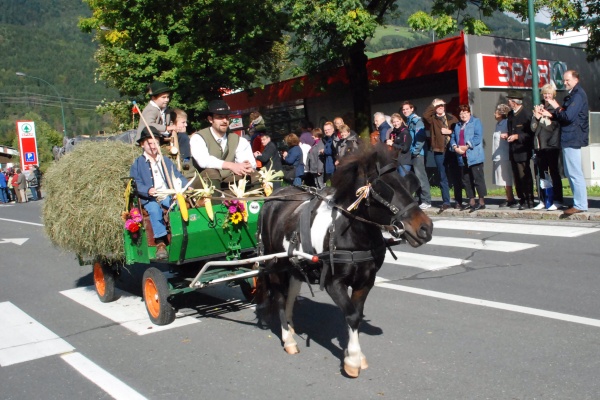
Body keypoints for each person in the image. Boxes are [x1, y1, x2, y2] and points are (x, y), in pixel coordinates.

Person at [130, 126, 188, 260]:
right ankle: (160, 242)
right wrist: (147, 190)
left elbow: (177, 176)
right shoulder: (138, 164)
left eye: (155, 142)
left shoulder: (165, 160)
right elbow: (135, 182)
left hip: (166, 194)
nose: (153, 146)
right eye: (149, 143)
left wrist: (186, 186)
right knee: (155, 210)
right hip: (150, 198)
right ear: (142, 145)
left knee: (176, 205)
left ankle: (179, 235)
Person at [543, 70, 589, 215]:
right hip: (568, 137)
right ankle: (578, 202)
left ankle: (580, 204)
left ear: (576, 79)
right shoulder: (572, 95)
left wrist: (555, 106)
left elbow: (568, 116)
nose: (565, 83)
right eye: (564, 80)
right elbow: (563, 115)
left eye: (567, 80)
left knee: (575, 173)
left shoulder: (578, 95)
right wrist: (552, 114)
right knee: (570, 172)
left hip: (573, 137)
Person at [189, 100, 256, 189]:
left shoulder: (238, 140)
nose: (225, 121)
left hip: (227, 182)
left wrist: (246, 166)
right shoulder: (198, 137)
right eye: (220, 117)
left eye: (227, 117)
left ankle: (256, 202)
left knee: (254, 175)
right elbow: (204, 161)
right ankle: (215, 203)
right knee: (212, 173)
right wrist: (231, 165)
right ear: (210, 119)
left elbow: (249, 162)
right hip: (202, 184)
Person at [423, 98, 460, 211]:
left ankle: (458, 201)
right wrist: (432, 104)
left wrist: (449, 132)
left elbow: (459, 131)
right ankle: (446, 201)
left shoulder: (452, 118)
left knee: (455, 176)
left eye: (441, 106)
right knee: (442, 176)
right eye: (438, 106)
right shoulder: (433, 119)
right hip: (439, 150)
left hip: (452, 150)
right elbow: (425, 116)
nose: (440, 108)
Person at [531, 84, 563, 211]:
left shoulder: (556, 109)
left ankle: (558, 199)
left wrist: (547, 116)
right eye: (545, 93)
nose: (547, 96)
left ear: (553, 94)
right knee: (542, 174)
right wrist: (537, 118)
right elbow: (533, 128)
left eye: (549, 93)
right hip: (539, 146)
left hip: (551, 145)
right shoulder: (540, 107)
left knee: (554, 172)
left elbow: (554, 127)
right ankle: (544, 199)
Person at [450, 104, 487, 211]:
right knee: (466, 179)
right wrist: (455, 147)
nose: (463, 115)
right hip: (462, 156)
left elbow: (477, 137)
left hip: (474, 156)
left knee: (477, 178)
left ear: (469, 113)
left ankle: (481, 201)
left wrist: (466, 146)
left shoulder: (476, 122)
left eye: (465, 112)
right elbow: (453, 138)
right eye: (461, 113)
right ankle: (471, 201)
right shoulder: (457, 125)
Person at [506, 90, 535, 210]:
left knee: (524, 175)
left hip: (522, 151)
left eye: (510, 100)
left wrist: (518, 136)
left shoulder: (526, 114)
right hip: (513, 150)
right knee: (517, 177)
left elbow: (531, 134)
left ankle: (529, 200)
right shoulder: (511, 114)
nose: (508, 102)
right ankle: (521, 199)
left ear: (515, 102)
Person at [401, 101, 431, 210]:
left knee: (421, 177)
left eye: (407, 109)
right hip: (412, 153)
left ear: (412, 109)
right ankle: (420, 199)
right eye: (403, 109)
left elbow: (421, 138)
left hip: (418, 154)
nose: (405, 111)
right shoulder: (409, 121)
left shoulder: (417, 121)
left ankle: (426, 200)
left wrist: (415, 151)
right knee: (415, 178)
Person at [492, 104, 517, 208]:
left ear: (501, 113)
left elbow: (508, 135)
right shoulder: (498, 124)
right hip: (498, 154)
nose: (494, 114)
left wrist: (506, 135)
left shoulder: (506, 123)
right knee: (502, 177)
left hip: (504, 154)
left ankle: (511, 198)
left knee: (506, 177)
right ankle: (508, 197)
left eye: (496, 112)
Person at [169, 109, 194, 179]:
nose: (186, 125)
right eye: (183, 122)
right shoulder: (183, 137)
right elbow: (186, 158)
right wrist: (186, 165)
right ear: (174, 123)